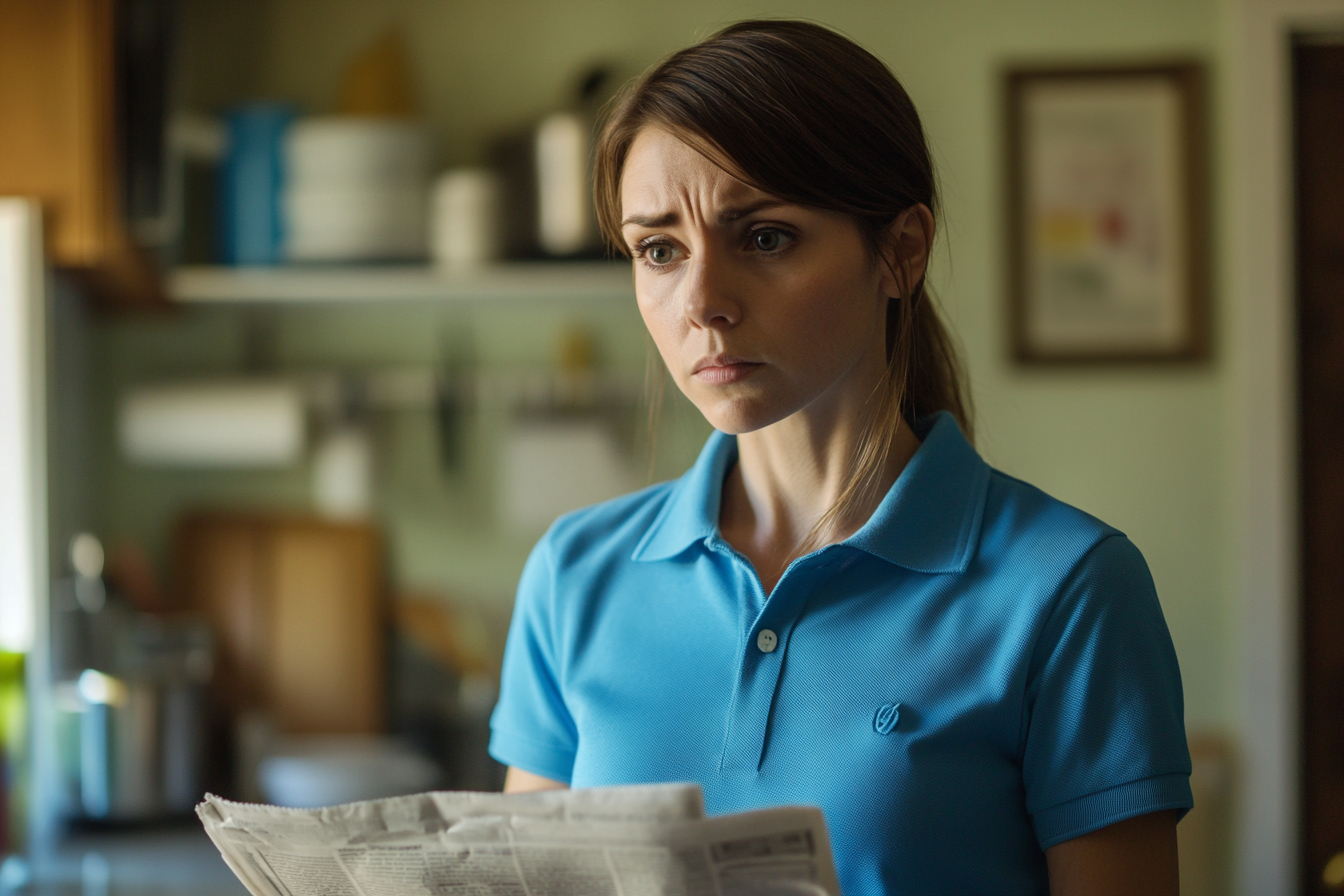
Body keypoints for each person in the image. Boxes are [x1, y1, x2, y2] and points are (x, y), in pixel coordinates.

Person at [488, 20, 1191, 896]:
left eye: (766, 237)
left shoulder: (1069, 589)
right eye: (659, 249)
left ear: (901, 251)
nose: (702, 301)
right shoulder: (573, 574)